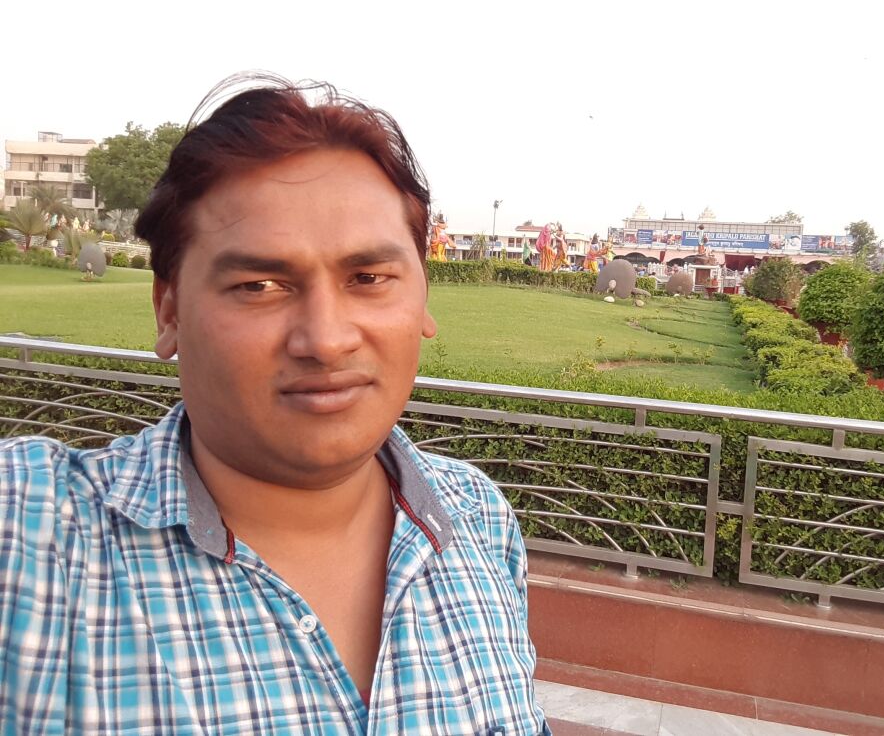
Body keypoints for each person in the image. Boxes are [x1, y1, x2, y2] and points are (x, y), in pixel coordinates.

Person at [0, 74, 549, 735]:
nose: (326, 340)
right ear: (169, 310)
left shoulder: (478, 520)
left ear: (423, 300)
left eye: (368, 278)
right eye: (259, 285)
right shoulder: (33, 536)